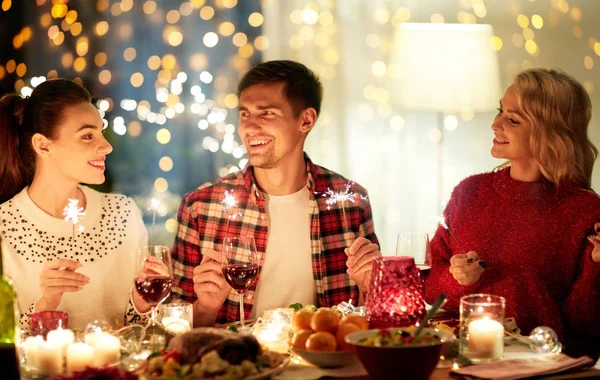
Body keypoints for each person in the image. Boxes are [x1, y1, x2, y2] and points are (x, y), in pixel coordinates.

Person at [171, 60, 381, 326]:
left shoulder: (349, 201)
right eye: (245, 114)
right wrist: (206, 307)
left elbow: (372, 325)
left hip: (323, 361)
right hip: (240, 365)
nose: (249, 127)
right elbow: (174, 331)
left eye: (267, 113)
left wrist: (369, 288)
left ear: (306, 120)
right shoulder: (201, 205)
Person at [424, 68, 600, 359]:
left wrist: (596, 268)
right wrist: (458, 279)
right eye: (500, 111)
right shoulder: (469, 193)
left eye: (513, 119)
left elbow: (588, 327)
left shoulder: (585, 211)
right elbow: (429, 289)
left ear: (550, 132)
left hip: (548, 373)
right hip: (465, 363)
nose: (495, 123)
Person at [0, 78, 153, 331]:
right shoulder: (4, 228)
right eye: (87, 136)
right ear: (43, 146)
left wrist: (142, 303)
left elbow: (143, 332)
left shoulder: (123, 213)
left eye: (101, 132)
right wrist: (44, 305)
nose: (106, 146)